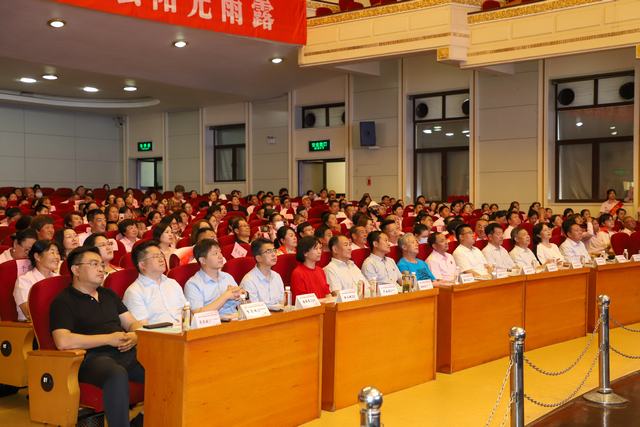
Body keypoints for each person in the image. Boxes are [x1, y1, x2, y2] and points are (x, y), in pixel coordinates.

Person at [50, 246, 145, 427]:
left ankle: (140, 422)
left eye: (102, 264)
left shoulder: (108, 294)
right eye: (94, 264)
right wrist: (108, 339)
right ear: (75, 269)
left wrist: (135, 335)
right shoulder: (63, 301)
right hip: (90, 359)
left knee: (165, 368)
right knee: (116, 374)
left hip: (125, 352)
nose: (101, 268)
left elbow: (133, 324)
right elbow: (62, 341)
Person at [123, 241, 187, 326]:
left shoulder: (172, 283)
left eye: (161, 255)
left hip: (186, 332)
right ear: (142, 265)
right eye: (155, 256)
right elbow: (143, 329)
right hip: (162, 336)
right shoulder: (134, 292)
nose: (161, 259)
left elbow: (187, 312)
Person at [185, 239, 246, 315]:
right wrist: (225, 296)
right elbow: (197, 314)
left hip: (236, 318)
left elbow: (242, 305)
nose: (220, 256)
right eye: (215, 253)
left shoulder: (227, 276)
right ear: (203, 260)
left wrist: (246, 296)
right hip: (213, 323)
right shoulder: (193, 284)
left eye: (220, 252)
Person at [14, 239, 60, 321]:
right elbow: (29, 314)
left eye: (57, 253)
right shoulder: (24, 281)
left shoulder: (59, 278)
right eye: (52, 252)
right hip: (31, 329)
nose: (57, 257)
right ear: (37, 256)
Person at [240, 238, 285, 306]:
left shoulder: (276, 276)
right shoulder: (249, 281)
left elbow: (282, 302)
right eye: (268, 252)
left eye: (274, 250)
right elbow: (255, 309)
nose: (273, 254)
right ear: (258, 258)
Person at [290, 236, 331, 303]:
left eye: (320, 248)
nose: (319, 252)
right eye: (315, 249)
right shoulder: (298, 273)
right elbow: (301, 300)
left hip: (323, 308)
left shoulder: (320, 270)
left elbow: (327, 293)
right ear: (305, 253)